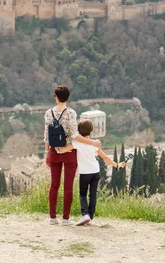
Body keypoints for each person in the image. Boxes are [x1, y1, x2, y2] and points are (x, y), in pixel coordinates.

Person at [44, 85, 101, 225]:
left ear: (56, 97)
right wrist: (92, 142)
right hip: (69, 152)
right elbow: (75, 136)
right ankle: (65, 218)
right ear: (68, 97)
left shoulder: (48, 113)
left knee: (54, 184)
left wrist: (47, 153)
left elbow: (46, 136)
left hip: (54, 152)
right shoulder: (71, 113)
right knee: (68, 186)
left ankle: (52, 217)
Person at [57, 119, 125, 226]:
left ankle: (85, 214)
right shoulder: (95, 144)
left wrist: (58, 141)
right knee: (93, 194)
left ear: (78, 131)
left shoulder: (77, 143)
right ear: (91, 130)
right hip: (95, 171)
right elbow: (105, 158)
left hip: (85, 172)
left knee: (82, 194)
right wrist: (117, 165)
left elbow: (62, 150)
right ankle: (90, 216)